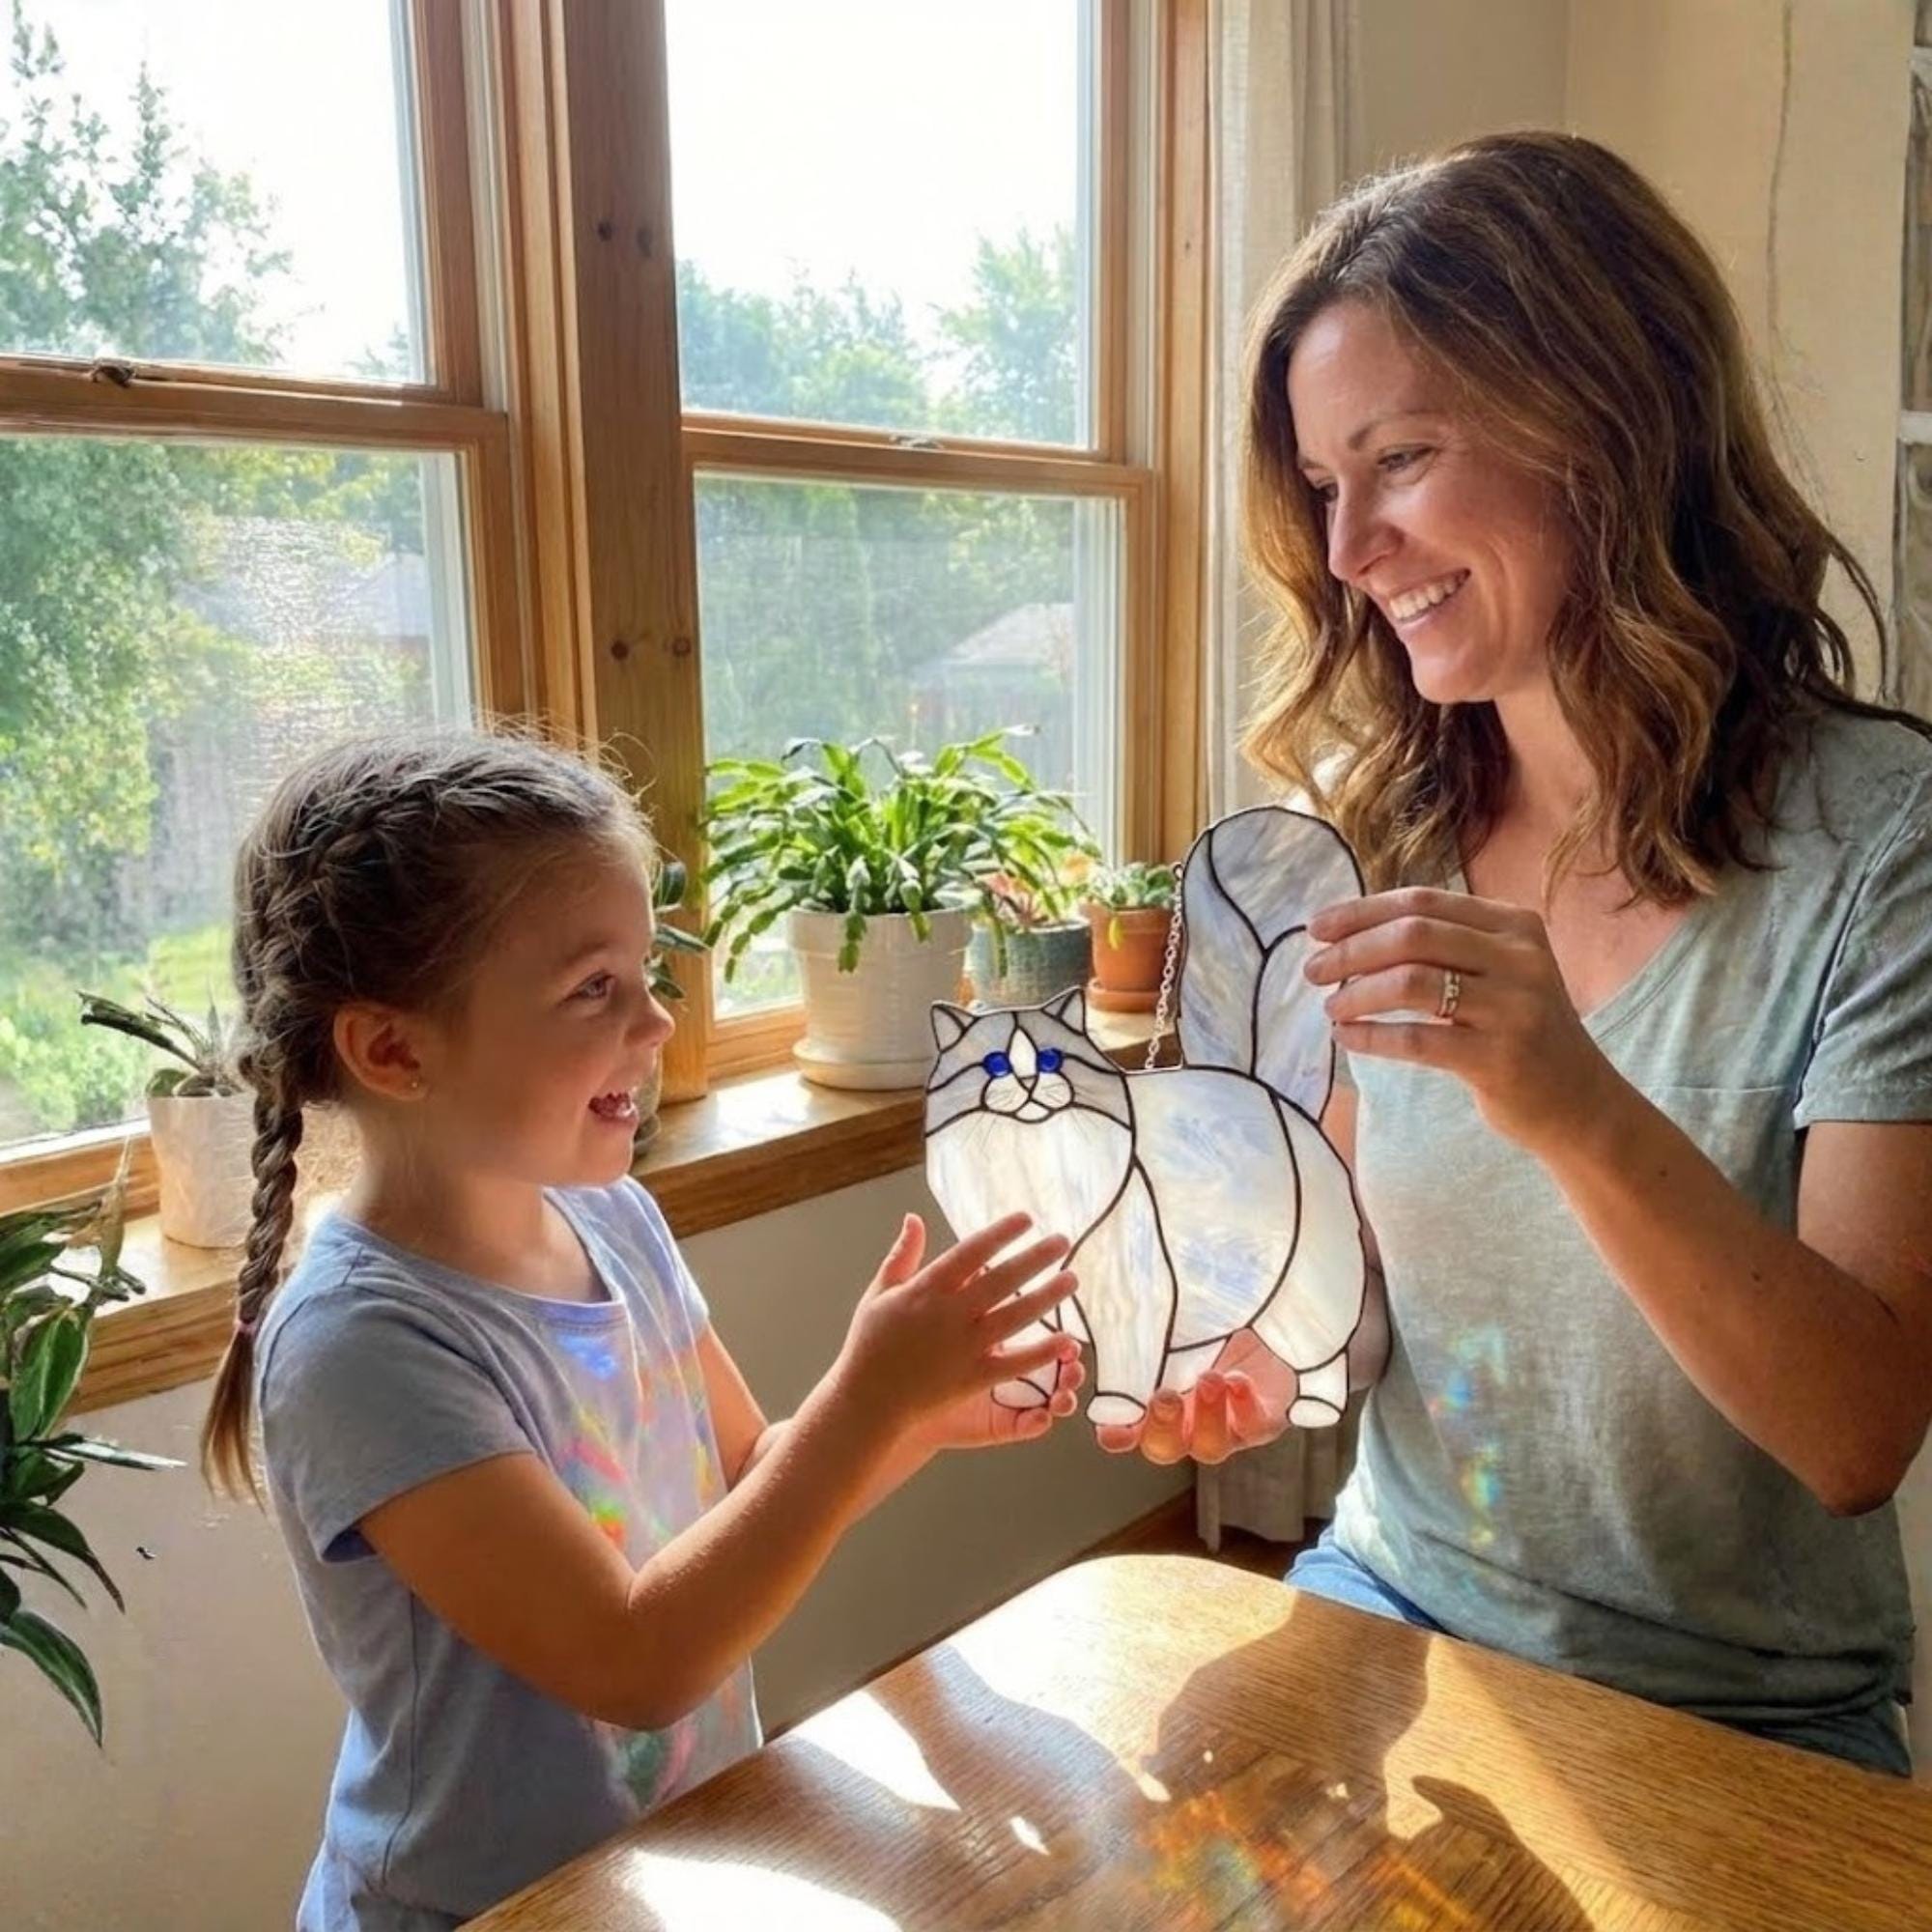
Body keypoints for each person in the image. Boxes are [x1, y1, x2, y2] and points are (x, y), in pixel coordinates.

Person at [1100, 131, 1932, 1776]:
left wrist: (1570, 1099)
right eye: (1324, 488)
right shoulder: (1372, 832)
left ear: (1613, 425)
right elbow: (1358, 1300)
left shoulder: (1887, 843)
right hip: (1390, 1607)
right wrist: (1252, 1357)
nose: (1348, 553)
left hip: (1749, 1722)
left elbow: (1856, 1434)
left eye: (1400, 457)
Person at [201, 731, 1085, 1929]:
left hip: (666, 1872)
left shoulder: (613, 1218)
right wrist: (865, 1397)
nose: (657, 1022)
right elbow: (636, 1661)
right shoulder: (361, 1343)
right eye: (592, 988)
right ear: (394, 1047)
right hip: (478, 1910)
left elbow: (748, 1482)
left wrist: (917, 1416)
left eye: (645, 969)